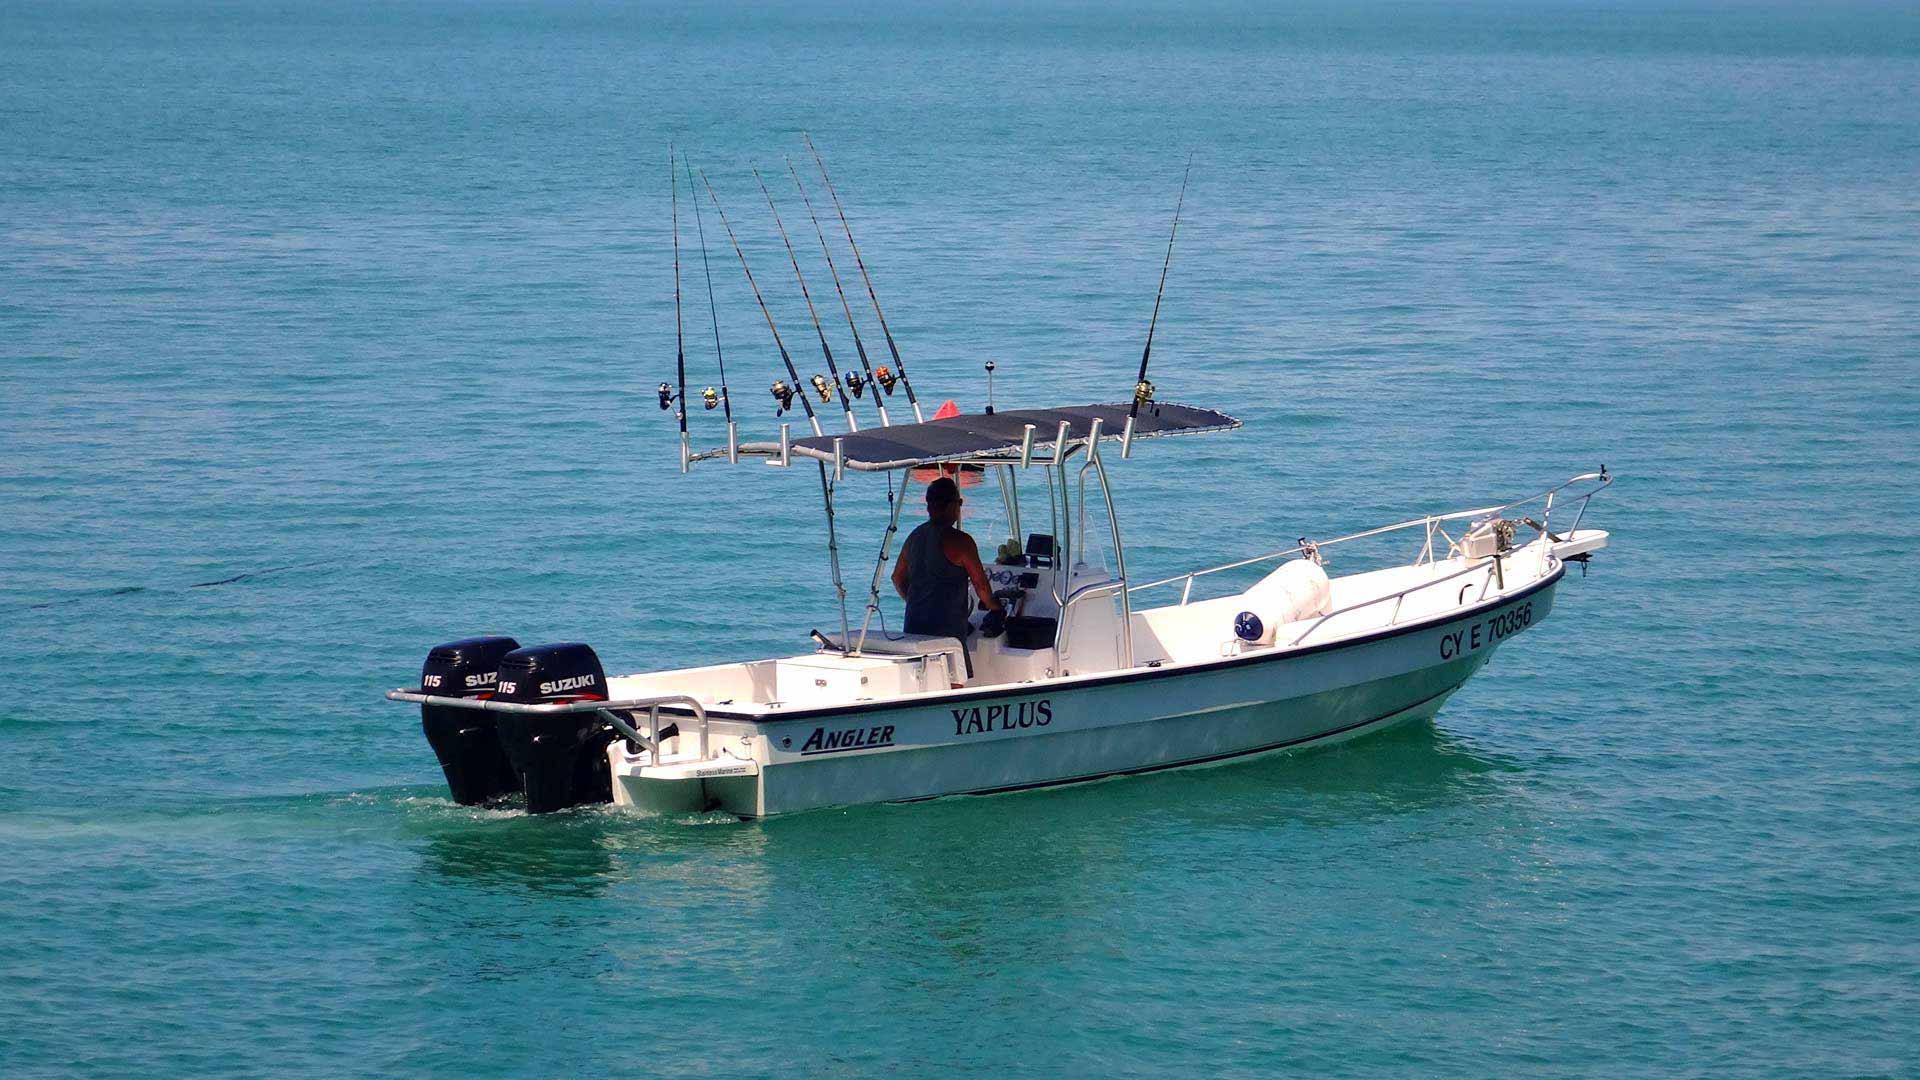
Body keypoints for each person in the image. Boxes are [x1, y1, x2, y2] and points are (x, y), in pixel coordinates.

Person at [893, 476, 1003, 648]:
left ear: (929, 505)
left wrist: (917, 602)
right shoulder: (960, 541)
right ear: (952, 505)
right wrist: (996, 608)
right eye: (959, 502)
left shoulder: (914, 537)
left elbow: (897, 579)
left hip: (913, 632)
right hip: (946, 636)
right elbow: (980, 585)